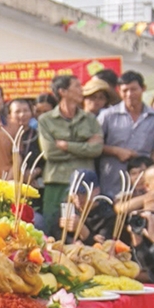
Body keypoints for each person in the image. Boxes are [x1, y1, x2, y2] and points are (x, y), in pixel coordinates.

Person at [37, 73, 104, 219]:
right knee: (54, 224)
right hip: (57, 181)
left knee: (82, 225)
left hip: (85, 183)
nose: (82, 90)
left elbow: (97, 149)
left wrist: (67, 146)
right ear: (63, 91)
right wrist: (84, 147)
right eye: (77, 86)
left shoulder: (90, 119)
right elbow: (49, 152)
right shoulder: (46, 120)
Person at [97, 70, 154, 195]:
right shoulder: (107, 116)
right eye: (125, 90)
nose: (129, 94)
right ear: (119, 91)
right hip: (112, 180)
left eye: (134, 89)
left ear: (143, 89)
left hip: (143, 182)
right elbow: (95, 146)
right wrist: (116, 151)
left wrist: (150, 173)